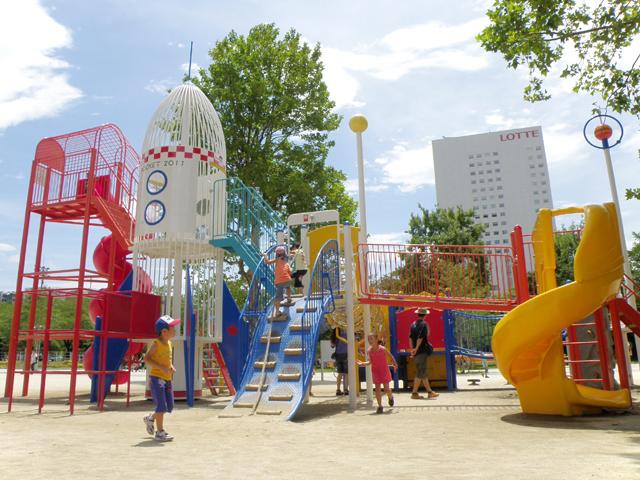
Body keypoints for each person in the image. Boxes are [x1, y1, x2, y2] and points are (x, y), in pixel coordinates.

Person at [143, 315, 180, 442]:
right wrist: (161, 368)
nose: (175, 330)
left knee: (169, 406)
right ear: (164, 332)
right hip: (156, 378)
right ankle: (160, 432)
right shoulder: (156, 344)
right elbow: (147, 358)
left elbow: (166, 360)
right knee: (161, 406)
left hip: (167, 378)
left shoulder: (169, 343)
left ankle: (150, 418)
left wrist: (171, 367)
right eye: (172, 328)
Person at [358, 332, 398, 414]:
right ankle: (380, 406)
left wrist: (395, 364)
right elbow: (369, 362)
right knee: (377, 390)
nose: (370, 341)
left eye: (371, 339)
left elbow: (390, 356)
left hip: (384, 370)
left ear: (376, 339)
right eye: (368, 339)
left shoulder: (382, 349)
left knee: (387, 389)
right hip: (376, 372)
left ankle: (390, 397)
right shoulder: (369, 351)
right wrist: (362, 363)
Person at [410, 307, 439, 400]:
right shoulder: (424, 324)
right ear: (425, 315)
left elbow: (410, 338)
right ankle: (414, 393)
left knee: (422, 372)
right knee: (420, 372)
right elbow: (421, 338)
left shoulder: (413, 324)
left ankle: (430, 392)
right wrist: (416, 349)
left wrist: (412, 349)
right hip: (421, 351)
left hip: (417, 351)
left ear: (418, 314)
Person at [264, 246, 293, 319]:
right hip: (287, 279)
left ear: (276, 254)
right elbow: (290, 271)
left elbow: (267, 262)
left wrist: (265, 256)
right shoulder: (286, 262)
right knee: (288, 287)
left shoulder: (277, 260)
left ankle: (277, 311)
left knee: (278, 298)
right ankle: (289, 298)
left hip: (279, 281)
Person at [331, 327, 349, 395]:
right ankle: (346, 389)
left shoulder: (334, 335)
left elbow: (332, 345)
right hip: (346, 355)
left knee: (340, 373)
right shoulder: (346, 333)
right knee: (346, 373)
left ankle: (338, 389)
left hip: (338, 356)